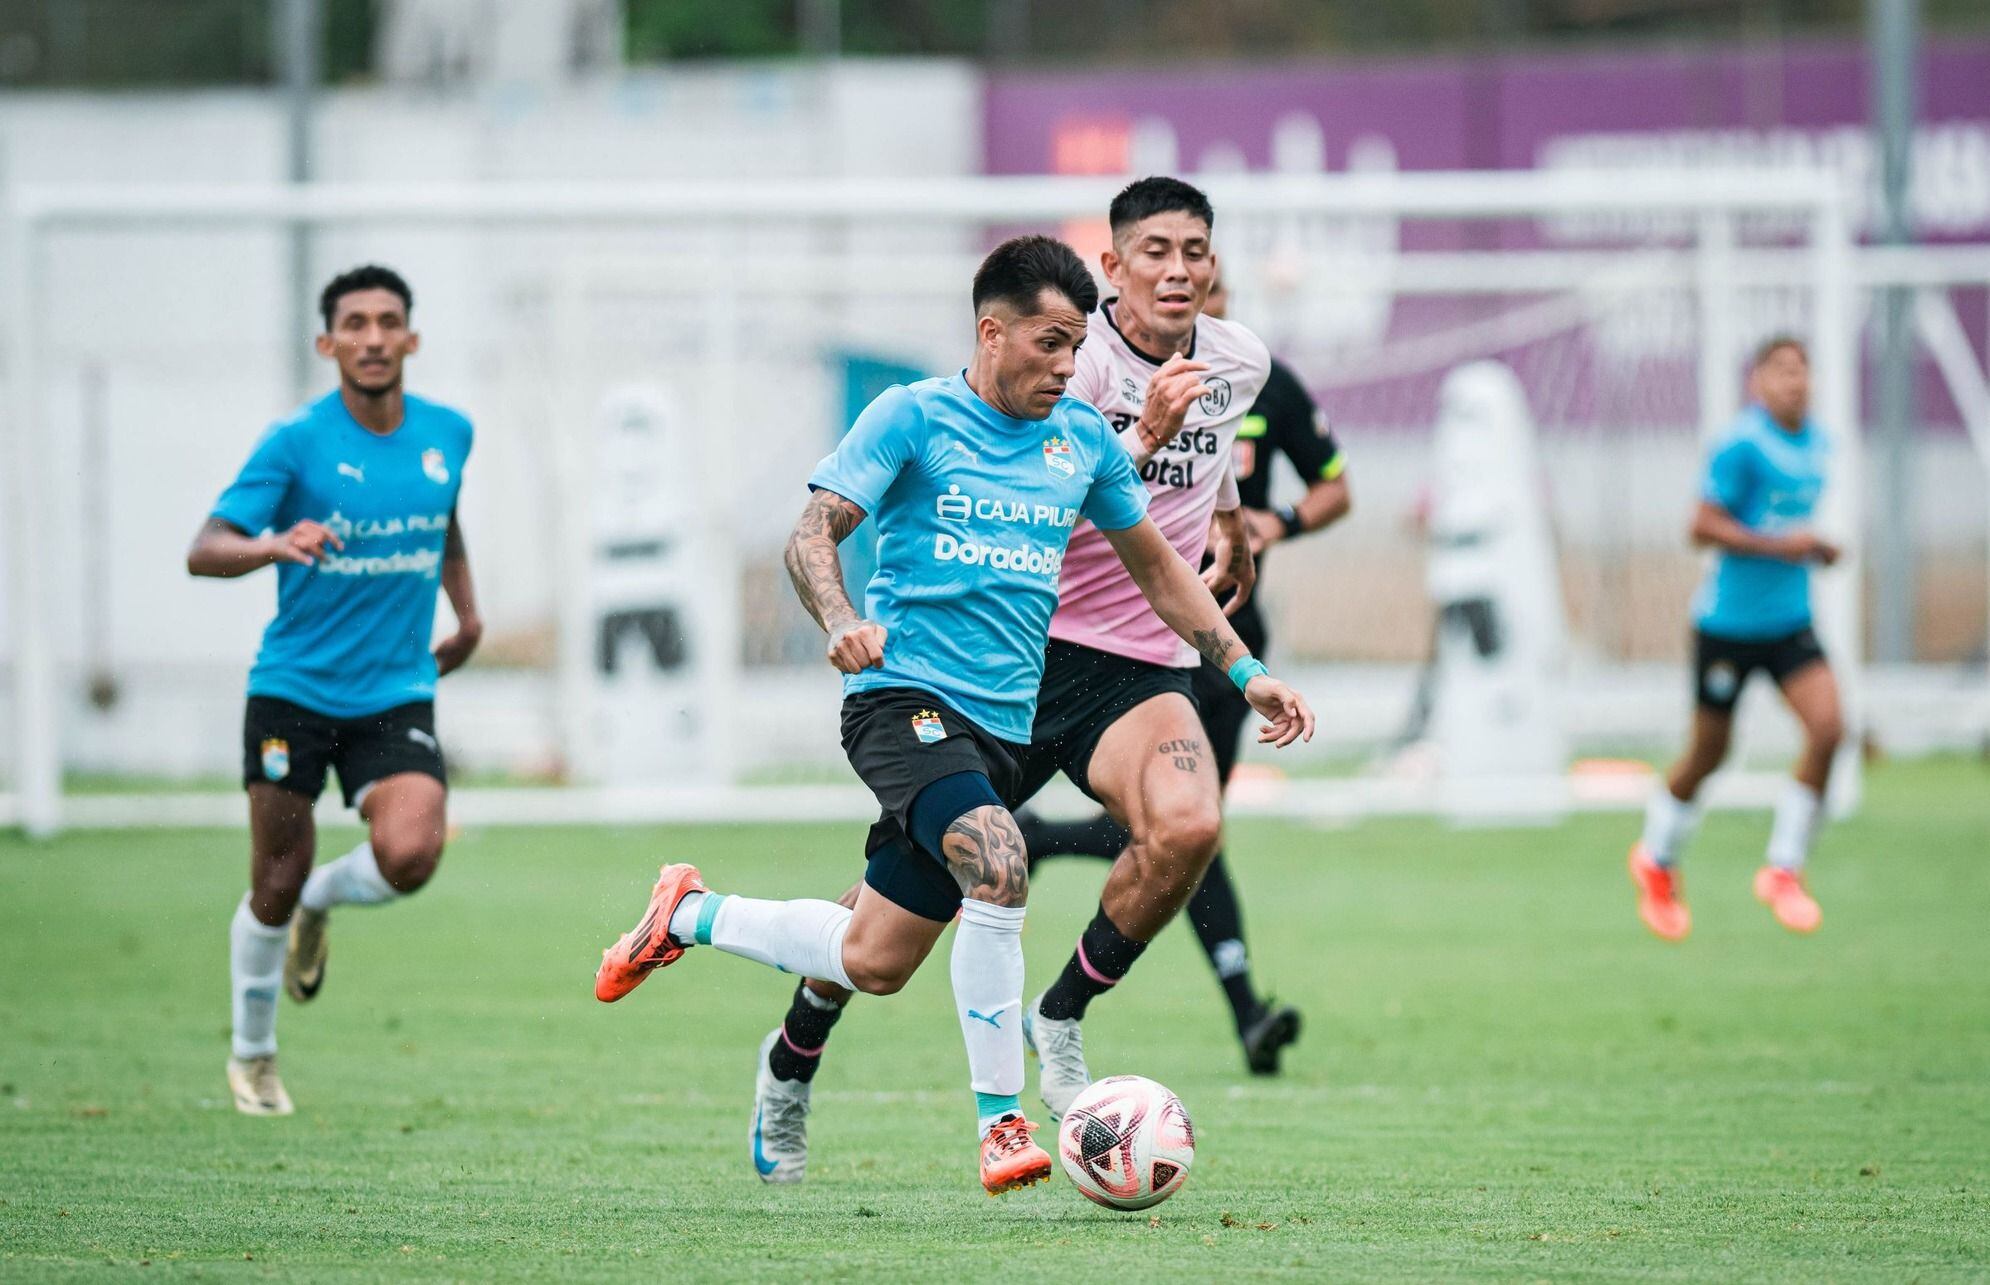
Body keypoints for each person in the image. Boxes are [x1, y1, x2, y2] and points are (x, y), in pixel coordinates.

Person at [590, 234, 1313, 1195]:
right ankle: (1001, 1120)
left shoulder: (1082, 442)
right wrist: (841, 616)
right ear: (991, 331)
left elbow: (1157, 570)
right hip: (900, 701)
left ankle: (690, 914)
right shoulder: (913, 417)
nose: (1068, 367)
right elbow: (812, 531)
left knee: (873, 957)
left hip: (1002, 731)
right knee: (999, 859)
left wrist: (1244, 665)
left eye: (1076, 346)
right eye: (1050, 345)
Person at [1015, 262, 1352, 1074]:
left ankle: (1222, 1010)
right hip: (1065, 638)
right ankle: (803, 1027)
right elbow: (1050, 490)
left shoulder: (1250, 374)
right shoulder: (1084, 367)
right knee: (906, 897)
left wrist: (1254, 524)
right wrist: (1146, 437)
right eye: (1171, 276)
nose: (1197, 303)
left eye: (1211, 289)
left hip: (1208, 624)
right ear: (1122, 280)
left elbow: (1330, 487)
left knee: (1192, 827)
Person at [189, 265, 482, 1116]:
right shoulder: (296, 444)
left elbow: (444, 513)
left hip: (395, 686)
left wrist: (466, 612)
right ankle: (254, 1055)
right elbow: (205, 547)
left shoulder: (449, 433)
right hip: (295, 691)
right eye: (354, 323)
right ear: (328, 343)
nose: (373, 337)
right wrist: (273, 544)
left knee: (412, 853)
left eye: (389, 321)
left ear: (412, 339)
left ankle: (323, 900)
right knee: (274, 877)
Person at [1629, 335, 1843, 941]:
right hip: (1726, 627)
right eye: (1779, 371)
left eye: (1802, 370)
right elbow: (1699, 527)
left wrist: (1816, 549)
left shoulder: (1822, 444)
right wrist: (1784, 547)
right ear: (1756, 383)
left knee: (1829, 729)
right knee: (1709, 754)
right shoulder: (1741, 444)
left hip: (1790, 623)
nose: (1793, 381)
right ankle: (1657, 860)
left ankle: (1783, 869)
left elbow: (1788, 526)